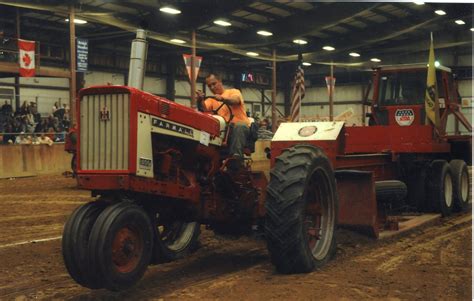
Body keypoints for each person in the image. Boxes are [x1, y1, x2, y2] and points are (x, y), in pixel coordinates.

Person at [196, 74, 250, 163]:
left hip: (240, 128)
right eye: (209, 86)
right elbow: (204, 110)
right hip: (224, 131)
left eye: (214, 84)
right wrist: (200, 100)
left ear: (220, 81)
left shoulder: (233, 92)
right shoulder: (211, 100)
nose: (212, 87)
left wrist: (222, 98)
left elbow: (235, 100)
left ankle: (235, 159)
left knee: (239, 126)